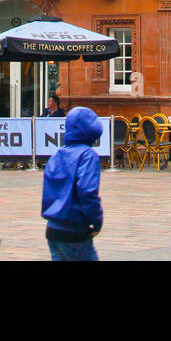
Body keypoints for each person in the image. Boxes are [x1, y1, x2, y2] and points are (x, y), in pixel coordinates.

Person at [41, 106, 104, 260]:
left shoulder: (57, 154)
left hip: (53, 228)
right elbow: (87, 191)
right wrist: (96, 221)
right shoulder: (88, 155)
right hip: (74, 229)